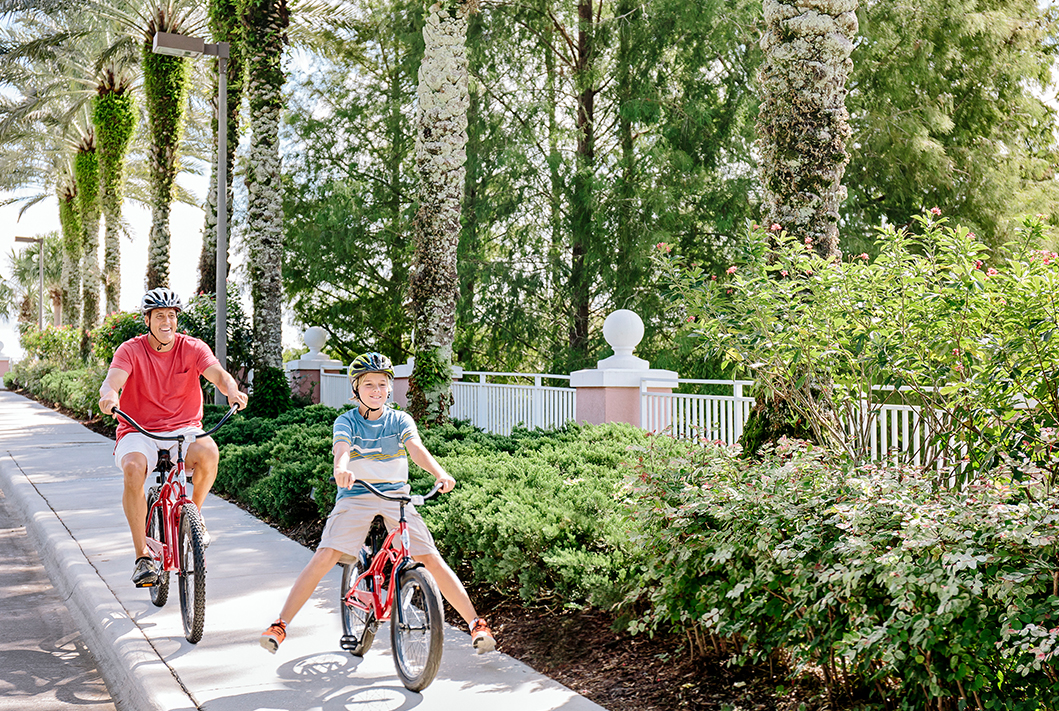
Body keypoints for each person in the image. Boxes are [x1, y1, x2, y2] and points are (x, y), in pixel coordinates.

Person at [259, 351, 496, 655]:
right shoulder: (347, 421)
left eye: (382, 384)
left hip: (396, 496)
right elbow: (342, 450)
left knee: (430, 558)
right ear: (355, 389)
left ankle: (476, 623)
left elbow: (416, 449)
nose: (376, 391)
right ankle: (280, 625)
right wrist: (341, 470)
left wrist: (439, 472)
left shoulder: (399, 419)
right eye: (368, 384)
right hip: (357, 495)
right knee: (326, 554)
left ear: (389, 388)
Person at [97, 288, 249, 588]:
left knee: (209, 452)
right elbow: (113, 380)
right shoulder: (130, 349)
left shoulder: (192, 348)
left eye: (171, 316)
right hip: (138, 430)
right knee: (132, 468)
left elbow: (219, 375)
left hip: (183, 429)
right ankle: (142, 556)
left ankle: (193, 515)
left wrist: (232, 390)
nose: (166, 321)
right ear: (147, 320)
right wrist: (109, 396)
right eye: (159, 316)